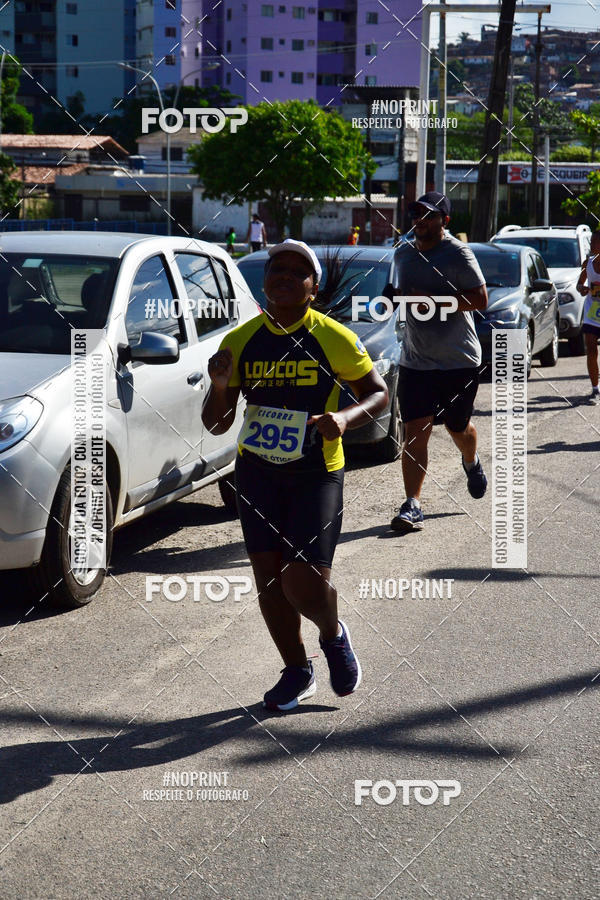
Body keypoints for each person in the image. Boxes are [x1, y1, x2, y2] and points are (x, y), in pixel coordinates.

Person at [202, 239, 388, 710]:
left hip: (315, 472)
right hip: (257, 473)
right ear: (265, 283)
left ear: (313, 287)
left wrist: (345, 419)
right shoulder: (239, 341)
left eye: (296, 271)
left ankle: (332, 633)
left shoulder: (333, 337)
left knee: (302, 580)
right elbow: (216, 422)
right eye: (276, 268)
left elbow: (379, 394)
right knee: (268, 577)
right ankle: (296, 669)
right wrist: (221, 388)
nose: (284, 276)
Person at [390, 191, 489, 533]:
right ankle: (413, 504)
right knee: (414, 433)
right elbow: (398, 297)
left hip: (458, 361)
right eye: (416, 213)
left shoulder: (457, 253)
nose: (421, 219)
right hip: (416, 360)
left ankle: (471, 461)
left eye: (429, 215)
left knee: (456, 427)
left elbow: (480, 299)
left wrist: (430, 301)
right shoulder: (402, 254)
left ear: (444, 221)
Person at [576, 229, 600, 403]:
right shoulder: (589, 263)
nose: (591, 245)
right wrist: (582, 288)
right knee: (591, 350)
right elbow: (580, 283)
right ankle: (595, 389)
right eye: (591, 242)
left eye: (595, 242)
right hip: (592, 314)